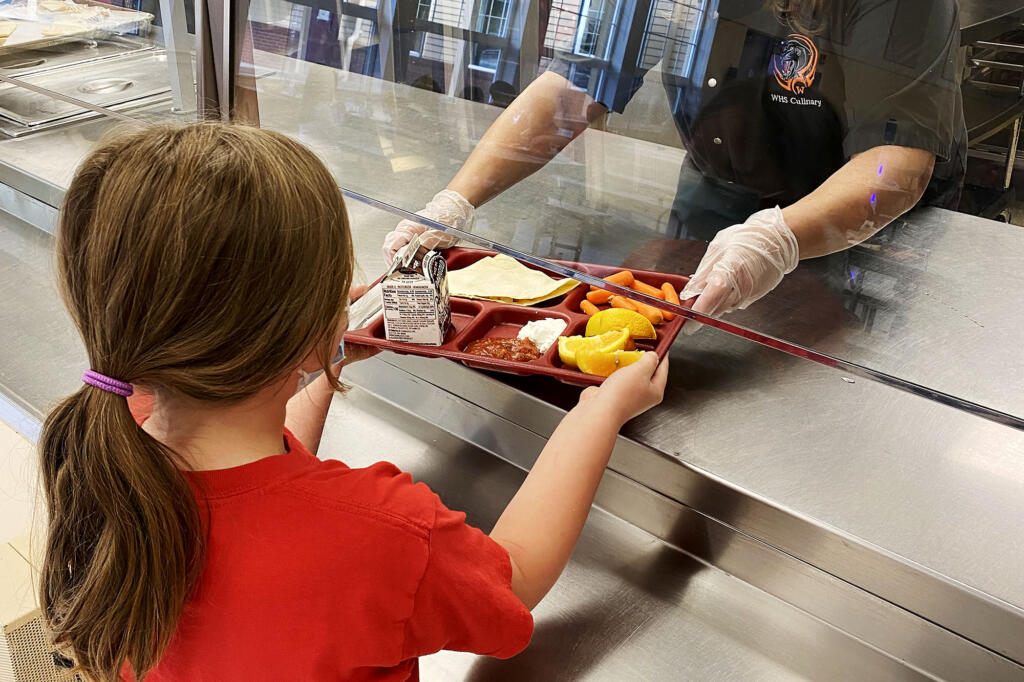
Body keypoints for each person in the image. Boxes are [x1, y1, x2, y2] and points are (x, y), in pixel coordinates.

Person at [38, 123, 669, 681]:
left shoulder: (107, 452)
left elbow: (257, 484)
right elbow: (514, 578)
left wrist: (321, 359)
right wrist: (600, 411)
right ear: (306, 323)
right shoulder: (384, 533)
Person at [383, 0, 966, 332]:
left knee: (825, 360)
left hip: (864, 214)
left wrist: (779, 239)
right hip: (718, 187)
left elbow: (898, 161)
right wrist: (454, 203)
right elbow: (569, 90)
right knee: (687, 336)